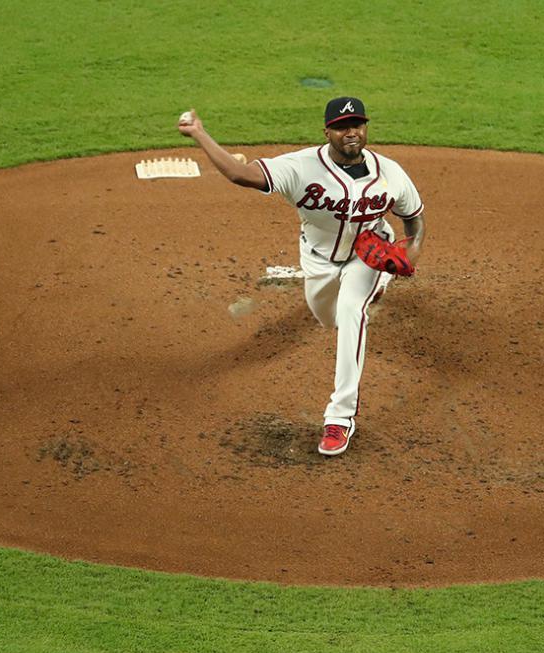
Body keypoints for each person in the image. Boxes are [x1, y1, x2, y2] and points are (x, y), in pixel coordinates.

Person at [176, 96, 427, 456]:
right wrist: (200, 133)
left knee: (351, 312)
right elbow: (239, 173)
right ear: (327, 131)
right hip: (318, 260)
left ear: (366, 127)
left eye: (356, 124)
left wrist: (410, 255)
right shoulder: (301, 167)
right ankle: (374, 286)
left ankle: (340, 420)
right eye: (341, 127)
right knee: (327, 317)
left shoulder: (391, 173)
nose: (350, 132)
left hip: (367, 255)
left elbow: (414, 219)